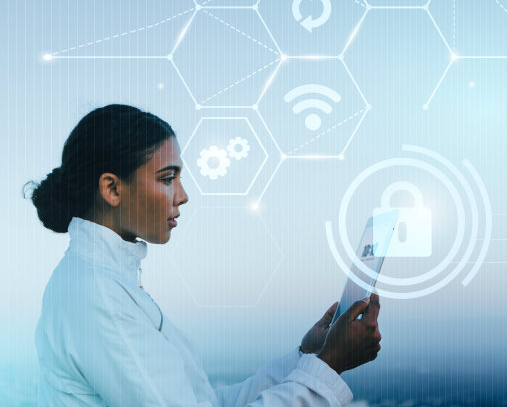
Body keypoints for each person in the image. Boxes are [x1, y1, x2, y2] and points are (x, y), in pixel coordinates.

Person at [27, 104, 381, 407]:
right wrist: (329, 366)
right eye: (167, 178)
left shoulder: (107, 281)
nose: (182, 196)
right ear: (112, 188)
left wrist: (308, 357)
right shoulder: (97, 294)